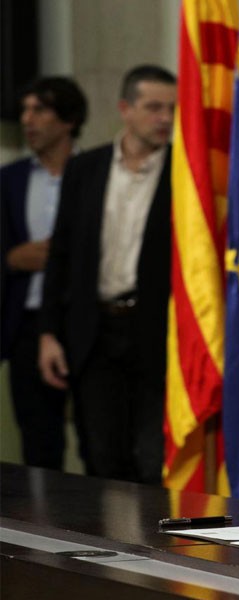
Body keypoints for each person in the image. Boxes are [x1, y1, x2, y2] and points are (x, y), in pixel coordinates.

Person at [37, 65, 176, 484]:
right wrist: (48, 332)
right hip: (93, 330)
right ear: (125, 109)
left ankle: (153, 548)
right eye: (154, 107)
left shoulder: (186, 173)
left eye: (172, 109)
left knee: (154, 456)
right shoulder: (87, 168)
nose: (165, 118)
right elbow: (59, 254)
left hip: (157, 332)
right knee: (101, 454)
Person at [1, 77, 88, 470]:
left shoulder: (95, 171)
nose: (28, 120)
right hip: (26, 323)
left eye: (40, 110)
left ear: (68, 120)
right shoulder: (10, 179)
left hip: (88, 321)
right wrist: (11, 259)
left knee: (98, 438)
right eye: (24, 111)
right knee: (38, 439)